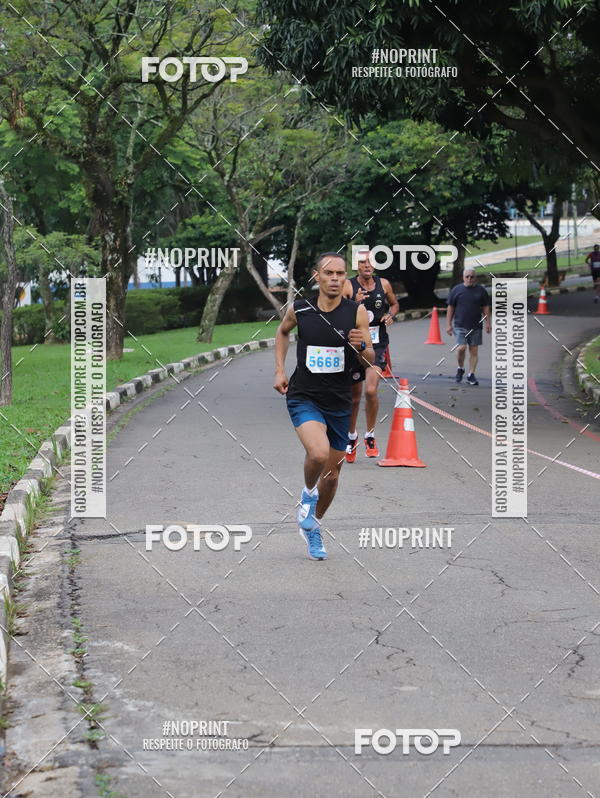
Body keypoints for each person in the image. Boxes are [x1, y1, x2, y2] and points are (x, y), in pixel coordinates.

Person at [274, 252, 375, 560]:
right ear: (316, 276)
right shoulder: (300, 308)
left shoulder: (356, 312)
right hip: (304, 395)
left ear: (345, 277)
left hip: (339, 401)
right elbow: (282, 332)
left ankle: (313, 526)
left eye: (340, 273)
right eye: (328, 273)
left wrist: (361, 347)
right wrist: (280, 369)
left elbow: (370, 358)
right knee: (317, 453)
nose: (334, 278)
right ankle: (307, 495)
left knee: (331, 476)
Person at [342, 249, 399, 460]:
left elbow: (394, 304)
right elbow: (337, 312)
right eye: (363, 262)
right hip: (356, 345)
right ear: (357, 266)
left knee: (371, 390)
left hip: (377, 345)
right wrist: (353, 304)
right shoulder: (348, 286)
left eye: (371, 262)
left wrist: (390, 315)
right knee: (354, 398)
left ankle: (370, 435)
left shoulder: (383, 284)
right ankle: (351, 436)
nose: (367, 266)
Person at [446, 267, 491, 386]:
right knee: (461, 348)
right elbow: (450, 308)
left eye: (472, 277)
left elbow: (486, 307)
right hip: (460, 325)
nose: (470, 279)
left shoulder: (481, 290)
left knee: (474, 350)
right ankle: (460, 368)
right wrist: (448, 325)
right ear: (463, 277)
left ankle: (471, 374)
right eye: (467, 276)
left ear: (475, 278)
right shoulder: (457, 290)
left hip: (476, 325)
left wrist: (488, 323)